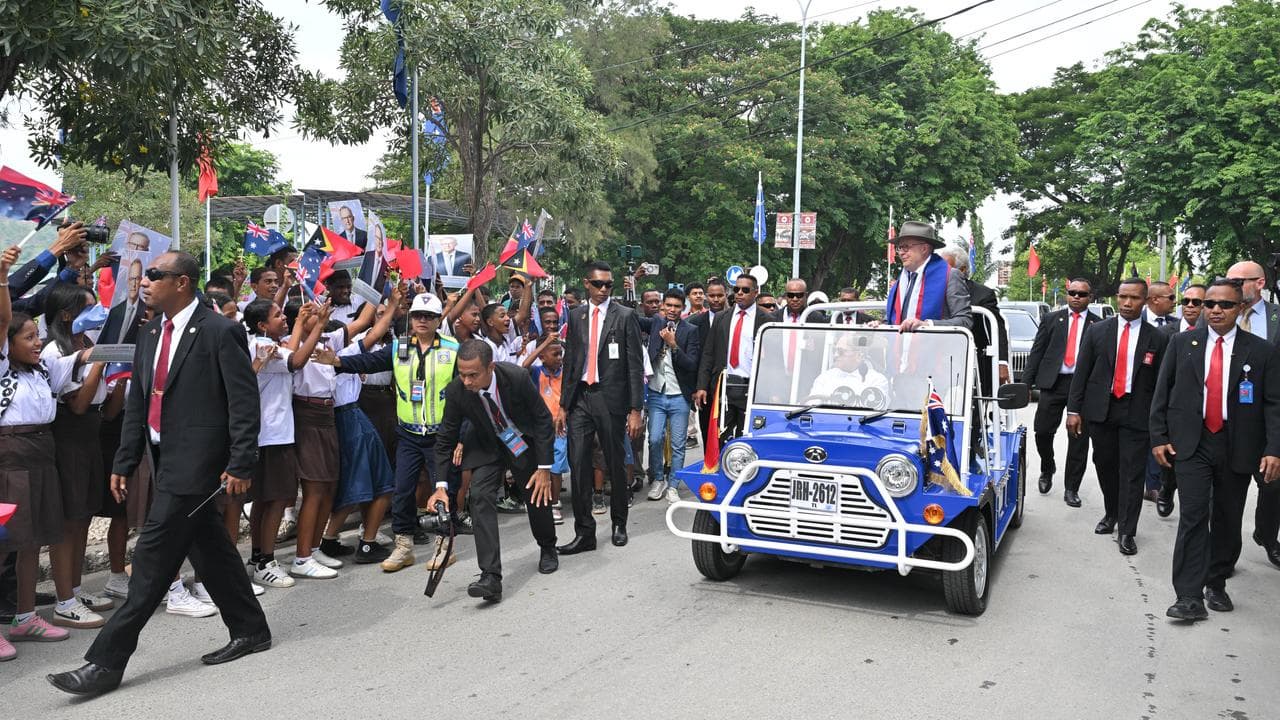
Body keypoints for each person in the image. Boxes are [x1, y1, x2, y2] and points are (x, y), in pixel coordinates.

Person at [48, 251, 269, 696]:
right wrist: (126, 460)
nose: (146, 281)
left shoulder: (221, 331)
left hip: (199, 461)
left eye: (155, 275)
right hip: (160, 456)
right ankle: (251, 629)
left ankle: (105, 662)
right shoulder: (150, 332)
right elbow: (139, 403)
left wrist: (241, 462)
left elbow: (243, 402)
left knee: (149, 561)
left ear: (182, 283)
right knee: (211, 549)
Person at [1151, 279, 1280, 621]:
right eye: (1210, 304)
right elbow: (1162, 393)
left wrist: (1274, 449)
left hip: (1238, 444)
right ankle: (1188, 596)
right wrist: (1158, 436)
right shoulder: (1182, 344)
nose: (1216, 310)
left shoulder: (1261, 351)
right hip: (1192, 443)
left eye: (1225, 305)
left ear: (1240, 309)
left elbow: (1273, 404)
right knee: (1193, 516)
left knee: (1227, 516)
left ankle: (1217, 582)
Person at [0, 245, 101, 661]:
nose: (37, 342)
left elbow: (89, 354)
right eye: (28, 338)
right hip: (10, 459)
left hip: (41, 456)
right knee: (4, 544)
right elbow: (4, 319)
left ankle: (24, 616)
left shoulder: (41, 369)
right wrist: (2, 276)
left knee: (31, 543)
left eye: (38, 336)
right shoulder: (3, 369)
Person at [321, 292, 460, 572]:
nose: (423, 320)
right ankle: (403, 546)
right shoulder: (400, 348)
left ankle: (444, 545)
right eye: (418, 315)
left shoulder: (453, 349)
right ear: (411, 319)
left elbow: (466, 395)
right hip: (408, 433)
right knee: (402, 490)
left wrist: (462, 437)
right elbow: (369, 363)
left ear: (437, 320)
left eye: (429, 316)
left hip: (441, 435)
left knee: (444, 489)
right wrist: (338, 362)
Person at [429, 340, 559, 602]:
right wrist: (440, 487)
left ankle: (547, 547)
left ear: (490, 367)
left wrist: (544, 467)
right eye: (462, 374)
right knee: (478, 496)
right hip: (488, 445)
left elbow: (543, 419)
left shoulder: (517, 377)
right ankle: (490, 577)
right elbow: (445, 439)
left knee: (535, 493)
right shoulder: (457, 390)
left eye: (473, 375)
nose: (466, 381)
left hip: (522, 441)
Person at [1066, 278, 1167, 556]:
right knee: (1105, 464)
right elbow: (1082, 373)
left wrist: (1161, 422)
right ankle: (1111, 514)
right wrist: (1073, 410)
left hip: (1137, 411)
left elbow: (1162, 383)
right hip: (1102, 409)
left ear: (1145, 301)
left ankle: (1127, 530)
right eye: (1122, 297)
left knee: (1133, 472)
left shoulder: (1157, 338)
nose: (1126, 303)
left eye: (1134, 298)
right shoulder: (1097, 331)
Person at [235, 299, 330, 590]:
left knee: (265, 499)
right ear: (262, 324)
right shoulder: (264, 347)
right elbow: (297, 360)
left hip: (270, 434)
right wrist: (320, 326)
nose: (283, 318)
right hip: (272, 435)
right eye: (278, 315)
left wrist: (301, 322)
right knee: (275, 499)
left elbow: (292, 349)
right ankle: (266, 561)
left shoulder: (264, 343)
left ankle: (258, 558)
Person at [557, 261, 645, 553]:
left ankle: (619, 522)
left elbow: (634, 364)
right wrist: (563, 406)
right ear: (587, 284)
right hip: (581, 397)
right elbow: (570, 363)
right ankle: (585, 533)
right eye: (599, 284)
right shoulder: (576, 314)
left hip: (612, 399)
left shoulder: (625, 316)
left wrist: (635, 410)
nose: (604, 289)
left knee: (615, 464)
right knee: (579, 464)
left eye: (609, 284)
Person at [40, 284, 111, 630]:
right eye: (89, 309)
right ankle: (64, 600)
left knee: (83, 515)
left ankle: (77, 589)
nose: (97, 314)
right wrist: (98, 362)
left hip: (91, 434)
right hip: (69, 434)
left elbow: (103, 405)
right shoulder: (56, 350)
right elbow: (79, 404)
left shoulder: (86, 342)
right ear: (67, 314)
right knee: (69, 520)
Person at [1224, 261, 1280, 569]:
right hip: (1226, 419)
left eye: (1238, 281)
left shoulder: (1276, 318)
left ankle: (1267, 535)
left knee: (1273, 485)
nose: (1231, 286)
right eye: (1228, 279)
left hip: (1266, 417)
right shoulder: (1218, 315)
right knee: (1226, 494)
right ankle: (1225, 554)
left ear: (1259, 283)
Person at [1025, 278, 1100, 506]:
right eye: (1072, 292)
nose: (1076, 297)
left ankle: (1071, 488)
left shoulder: (1098, 324)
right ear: (1067, 294)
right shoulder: (1051, 319)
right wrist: (1025, 385)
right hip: (1053, 383)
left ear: (1091, 297)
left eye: (1082, 294)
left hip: (1083, 388)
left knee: (1078, 439)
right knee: (1042, 432)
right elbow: (1037, 352)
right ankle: (1048, 468)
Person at [695, 272, 773, 441]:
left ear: (755, 292)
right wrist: (702, 386)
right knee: (720, 438)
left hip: (751, 388)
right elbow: (709, 354)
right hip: (724, 386)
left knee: (746, 438)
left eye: (745, 290)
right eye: (736, 289)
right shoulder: (721, 318)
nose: (739, 293)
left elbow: (775, 361)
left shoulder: (766, 320)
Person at [1154, 283, 1207, 518]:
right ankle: (1166, 489)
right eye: (1186, 301)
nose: (1190, 306)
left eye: (1197, 302)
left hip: (1208, 410)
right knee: (1174, 458)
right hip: (1176, 410)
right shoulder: (1167, 334)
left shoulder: (1218, 335)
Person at [645, 288, 701, 503]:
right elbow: (632, 317)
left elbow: (691, 364)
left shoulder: (691, 330)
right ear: (662, 306)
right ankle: (658, 478)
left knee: (678, 444)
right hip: (657, 392)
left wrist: (673, 344)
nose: (671, 310)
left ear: (683, 308)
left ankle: (674, 485)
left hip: (679, 394)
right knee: (655, 438)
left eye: (676, 306)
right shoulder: (655, 324)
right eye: (668, 305)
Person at [883, 221, 972, 331]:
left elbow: (965, 321)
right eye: (899, 248)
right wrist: (879, 324)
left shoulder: (950, 276)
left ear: (924, 249)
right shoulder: (902, 280)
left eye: (905, 247)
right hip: (901, 346)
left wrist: (927, 325)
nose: (901, 253)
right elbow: (893, 320)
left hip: (935, 346)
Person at [527, 340, 568, 524]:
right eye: (555, 354)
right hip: (540, 428)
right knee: (541, 465)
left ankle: (555, 503)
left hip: (560, 428)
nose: (559, 358)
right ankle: (541, 502)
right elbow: (524, 366)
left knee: (556, 467)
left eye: (561, 354)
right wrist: (542, 346)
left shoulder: (565, 373)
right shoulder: (536, 372)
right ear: (542, 357)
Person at [808, 335, 889, 400]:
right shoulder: (825, 378)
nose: (835, 355)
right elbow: (811, 406)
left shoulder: (876, 380)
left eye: (840, 351)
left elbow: (876, 413)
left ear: (858, 356)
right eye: (834, 350)